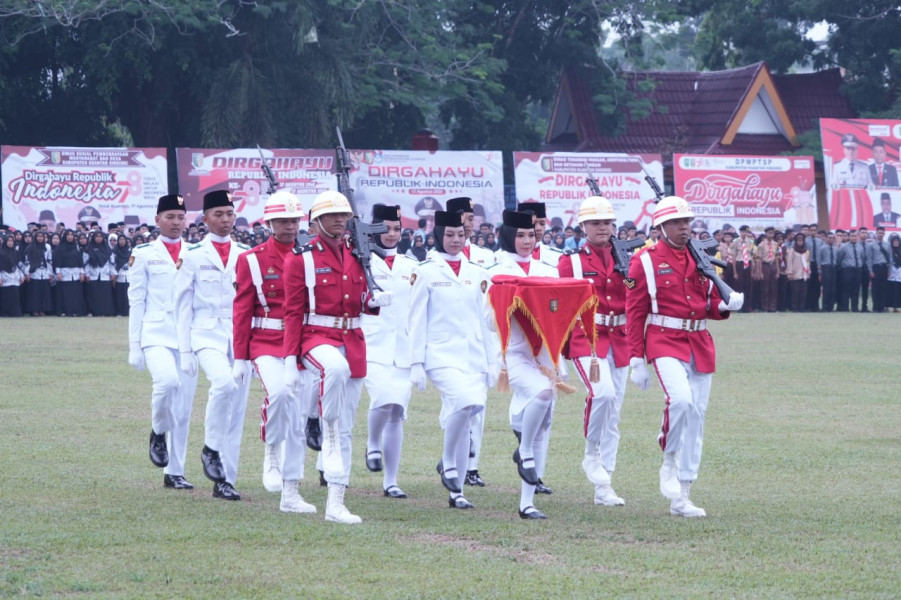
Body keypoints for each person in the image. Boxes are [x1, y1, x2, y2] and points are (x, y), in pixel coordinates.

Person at [626, 196, 743, 518]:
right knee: (680, 401)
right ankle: (668, 456)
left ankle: (684, 494)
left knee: (696, 418)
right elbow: (634, 312)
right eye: (677, 223)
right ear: (661, 227)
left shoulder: (700, 258)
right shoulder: (644, 261)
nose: (684, 228)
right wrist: (636, 358)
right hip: (664, 339)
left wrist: (724, 306)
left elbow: (706, 305)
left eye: (687, 222)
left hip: (699, 341)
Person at [282, 190, 392, 524]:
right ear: (316, 222)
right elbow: (292, 311)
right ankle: (318, 441)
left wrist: (372, 303)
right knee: (330, 376)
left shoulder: (358, 253)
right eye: (332, 216)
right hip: (317, 337)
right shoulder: (301, 258)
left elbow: (358, 299)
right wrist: (289, 357)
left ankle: (336, 502)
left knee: (346, 426)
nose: (340, 220)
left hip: (352, 338)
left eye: (344, 215)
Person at [233, 191, 316, 513]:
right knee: (280, 393)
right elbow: (241, 310)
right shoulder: (251, 260)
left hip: (303, 340)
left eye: (294, 220)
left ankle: (291, 482)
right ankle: (270, 451)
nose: (290, 227)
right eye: (282, 221)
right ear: (269, 223)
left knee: (298, 410)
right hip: (266, 340)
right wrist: (240, 358)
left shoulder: (310, 254)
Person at [408, 209, 496, 510]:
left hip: (473, 355)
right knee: (462, 401)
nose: (456, 240)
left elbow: (487, 321)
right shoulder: (426, 270)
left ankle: (457, 490)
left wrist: (493, 361)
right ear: (438, 236)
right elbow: (416, 319)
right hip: (439, 353)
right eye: (449, 235)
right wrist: (416, 362)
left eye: (460, 235)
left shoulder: (478, 273)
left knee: (471, 409)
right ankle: (448, 462)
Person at [175, 190, 252, 501]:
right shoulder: (192, 255)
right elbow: (182, 305)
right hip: (205, 333)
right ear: (204, 219)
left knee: (237, 410)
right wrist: (184, 350)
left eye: (229, 214)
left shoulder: (246, 253)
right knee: (223, 384)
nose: (225, 220)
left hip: (239, 335)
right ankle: (210, 448)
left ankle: (225, 480)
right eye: (218, 214)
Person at [557, 195, 633, 508]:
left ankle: (605, 487)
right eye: (595, 223)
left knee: (613, 412)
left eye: (606, 222)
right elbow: (560, 308)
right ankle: (591, 455)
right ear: (584, 226)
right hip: (585, 336)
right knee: (601, 394)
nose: (602, 228)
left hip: (621, 337)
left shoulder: (627, 258)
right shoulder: (571, 262)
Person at [487, 209, 559, 518]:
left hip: (544, 354)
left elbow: (557, 313)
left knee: (543, 423)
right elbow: (488, 322)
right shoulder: (494, 270)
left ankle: (527, 503)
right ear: (507, 236)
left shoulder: (548, 269)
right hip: (511, 353)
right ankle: (523, 447)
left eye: (531, 234)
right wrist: (511, 303)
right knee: (541, 394)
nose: (527, 241)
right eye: (520, 235)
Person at [128, 193, 199, 490]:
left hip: (187, 336)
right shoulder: (143, 253)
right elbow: (136, 301)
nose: (176, 222)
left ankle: (175, 471)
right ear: (157, 220)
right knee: (167, 383)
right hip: (155, 333)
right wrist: (134, 345)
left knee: (183, 408)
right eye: (170, 217)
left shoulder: (196, 251)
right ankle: (158, 431)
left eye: (181, 217)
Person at [361, 204, 418, 500]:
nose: (392, 234)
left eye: (397, 229)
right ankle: (372, 442)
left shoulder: (411, 266)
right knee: (384, 396)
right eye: (385, 229)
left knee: (397, 411)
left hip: (403, 349)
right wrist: (367, 301)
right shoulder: (362, 261)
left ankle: (391, 480)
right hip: (372, 344)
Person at [444, 196, 494, 487]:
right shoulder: (440, 256)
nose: (470, 222)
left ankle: (471, 466)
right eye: (465, 217)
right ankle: (452, 456)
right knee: (453, 404)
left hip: (478, 337)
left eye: (472, 218)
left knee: (479, 403)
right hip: (449, 339)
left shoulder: (485, 257)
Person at [53, 230, 86, 317]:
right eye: (68, 235)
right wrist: (58, 272)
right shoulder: (60, 248)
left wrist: (82, 273)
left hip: (75, 273)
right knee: (64, 294)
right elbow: (57, 261)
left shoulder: (76, 247)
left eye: (71, 235)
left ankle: (76, 311)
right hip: (64, 272)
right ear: (65, 236)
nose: (70, 237)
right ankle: (63, 311)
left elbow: (80, 260)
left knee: (75, 294)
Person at [84, 231, 115, 316]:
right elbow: (86, 263)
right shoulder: (88, 249)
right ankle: (93, 312)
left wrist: (113, 273)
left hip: (105, 275)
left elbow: (111, 263)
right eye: (96, 237)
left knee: (104, 295)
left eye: (100, 237)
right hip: (93, 275)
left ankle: (105, 312)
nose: (98, 238)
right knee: (93, 295)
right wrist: (87, 274)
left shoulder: (108, 249)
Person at [23, 231, 54, 316]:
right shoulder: (30, 247)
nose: (40, 238)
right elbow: (27, 261)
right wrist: (27, 272)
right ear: (35, 238)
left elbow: (49, 260)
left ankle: (42, 309)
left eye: (41, 236)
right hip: (34, 271)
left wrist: (50, 273)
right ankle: (34, 310)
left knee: (44, 291)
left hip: (45, 271)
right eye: (38, 236)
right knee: (34, 292)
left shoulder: (47, 247)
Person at [836, 228, 865, 312]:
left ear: (857, 237)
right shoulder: (844, 247)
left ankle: (855, 308)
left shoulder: (860, 247)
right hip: (847, 270)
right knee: (846, 290)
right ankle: (845, 307)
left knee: (856, 290)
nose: (853, 237)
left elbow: (862, 258)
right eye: (852, 236)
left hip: (857, 270)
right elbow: (839, 259)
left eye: (855, 236)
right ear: (849, 237)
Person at [867, 226, 892, 312]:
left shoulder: (887, 245)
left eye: (882, 233)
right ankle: (875, 307)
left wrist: (889, 270)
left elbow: (890, 258)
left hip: (884, 268)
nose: (880, 234)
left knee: (883, 288)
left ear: (884, 234)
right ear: (876, 233)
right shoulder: (871, 245)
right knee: (875, 288)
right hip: (875, 268)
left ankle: (882, 307)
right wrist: (870, 270)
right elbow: (869, 258)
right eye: (879, 233)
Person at [755, 227, 779, 312]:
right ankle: (764, 307)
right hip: (765, 266)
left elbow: (777, 258)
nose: (771, 234)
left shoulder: (776, 244)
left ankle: (772, 307)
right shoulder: (761, 245)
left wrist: (778, 271)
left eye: (772, 233)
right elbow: (758, 259)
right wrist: (759, 271)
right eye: (769, 233)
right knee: (765, 287)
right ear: (766, 233)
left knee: (773, 287)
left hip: (773, 266)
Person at [0, 233, 24, 317]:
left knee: (15, 297)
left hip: (15, 276)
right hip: (4, 276)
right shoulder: (1, 252)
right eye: (8, 241)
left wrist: (21, 276)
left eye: (11, 241)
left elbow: (18, 264)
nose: (10, 242)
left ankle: (15, 313)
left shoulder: (15, 252)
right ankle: (4, 313)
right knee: (5, 296)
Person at [785, 232, 810, 312]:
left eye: (801, 240)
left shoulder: (806, 251)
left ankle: (802, 308)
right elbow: (789, 262)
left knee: (803, 293)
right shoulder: (792, 250)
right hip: (795, 274)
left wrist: (808, 272)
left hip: (804, 274)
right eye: (798, 240)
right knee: (795, 293)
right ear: (795, 241)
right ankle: (795, 308)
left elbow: (808, 262)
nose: (800, 242)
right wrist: (789, 273)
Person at [818, 231, 839, 312]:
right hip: (826, 268)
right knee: (826, 289)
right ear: (826, 238)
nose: (831, 239)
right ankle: (825, 307)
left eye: (833, 238)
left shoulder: (835, 249)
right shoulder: (822, 248)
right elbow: (819, 261)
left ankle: (831, 306)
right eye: (829, 238)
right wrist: (820, 272)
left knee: (833, 289)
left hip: (833, 268)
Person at [112, 234, 132, 316]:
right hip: (118, 276)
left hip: (129, 276)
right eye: (120, 239)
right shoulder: (114, 251)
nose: (122, 241)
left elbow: (133, 264)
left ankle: (127, 311)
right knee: (119, 295)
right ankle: (119, 311)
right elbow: (113, 263)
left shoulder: (131, 252)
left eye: (123, 239)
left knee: (128, 295)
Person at [887, 234, 901, 311]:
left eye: (897, 241)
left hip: (899, 272)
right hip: (891, 270)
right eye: (894, 241)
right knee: (889, 289)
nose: (896, 242)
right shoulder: (889, 250)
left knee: (897, 289)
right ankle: (887, 306)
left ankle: (895, 307)